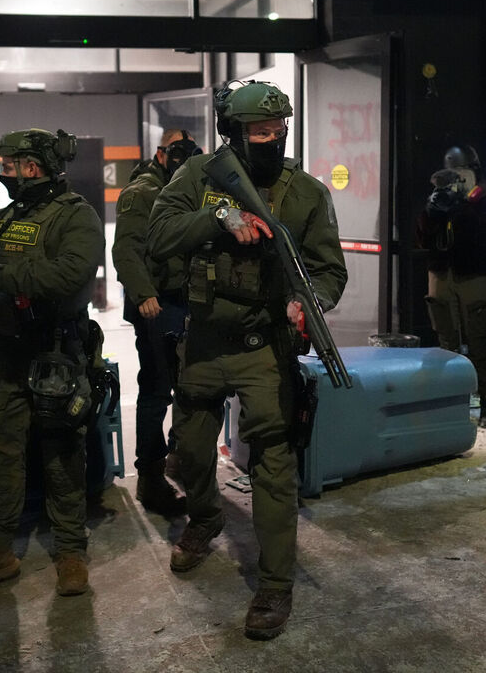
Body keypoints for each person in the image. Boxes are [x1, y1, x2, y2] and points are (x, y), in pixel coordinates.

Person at [147, 81, 347, 640]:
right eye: (260, 132)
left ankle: (275, 585)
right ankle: (206, 518)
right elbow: (158, 236)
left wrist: (308, 303)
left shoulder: (305, 193)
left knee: (274, 469)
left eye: (279, 129)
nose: (272, 139)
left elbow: (329, 270)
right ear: (232, 132)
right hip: (206, 341)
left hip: (266, 345)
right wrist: (218, 219)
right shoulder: (199, 177)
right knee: (187, 449)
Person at [0, 128, 105, 597]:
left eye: (9, 164)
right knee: (0, 456)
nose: (5, 172)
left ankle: (72, 553)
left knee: (61, 457)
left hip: (58, 355)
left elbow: (69, 277)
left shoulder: (77, 216)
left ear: (31, 166)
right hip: (10, 356)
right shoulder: (9, 217)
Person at [112, 129, 200, 515]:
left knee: (189, 385)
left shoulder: (184, 187)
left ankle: (179, 458)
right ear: (162, 153)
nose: (182, 158)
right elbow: (126, 249)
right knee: (156, 388)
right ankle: (150, 476)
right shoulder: (142, 192)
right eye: (177, 151)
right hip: (155, 303)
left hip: (184, 302)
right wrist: (144, 294)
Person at [416, 145, 486, 427]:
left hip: (473, 273)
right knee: (446, 344)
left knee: (478, 341)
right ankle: (451, 404)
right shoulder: (439, 196)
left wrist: (462, 207)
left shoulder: (485, 196)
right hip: (442, 273)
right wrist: (432, 213)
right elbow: (423, 238)